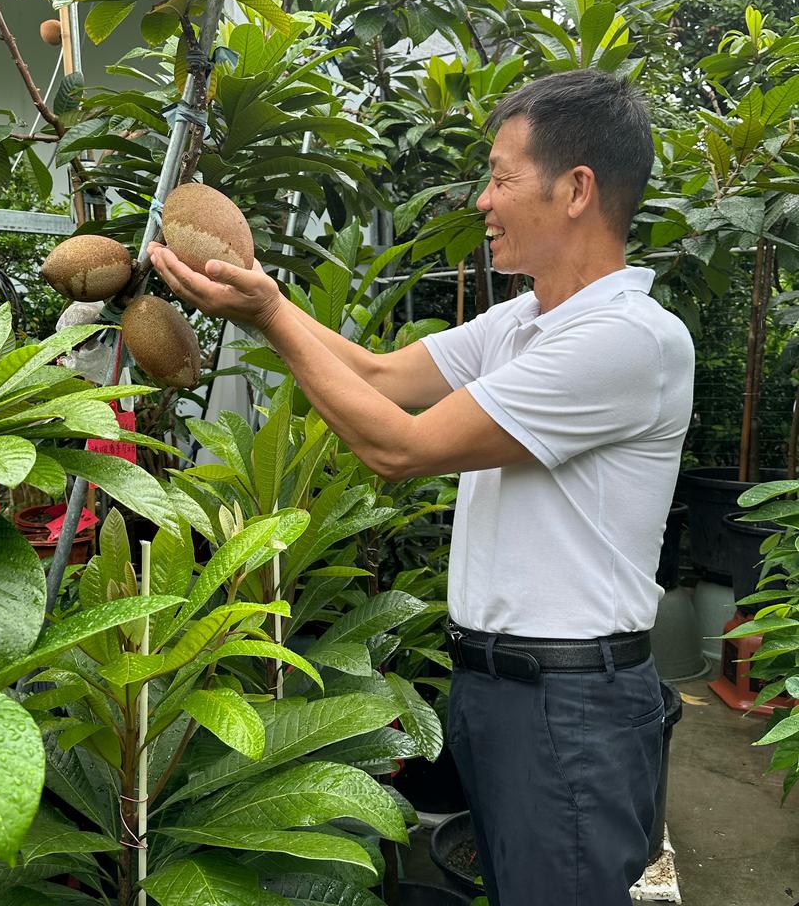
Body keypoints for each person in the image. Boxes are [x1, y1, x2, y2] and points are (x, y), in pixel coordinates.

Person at [149, 68, 695, 905]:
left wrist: (266, 318)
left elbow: (398, 446)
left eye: (502, 178)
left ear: (577, 189)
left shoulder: (627, 340)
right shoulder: (526, 321)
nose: (483, 200)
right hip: (503, 688)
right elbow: (378, 375)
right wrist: (265, 299)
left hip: (569, 702)